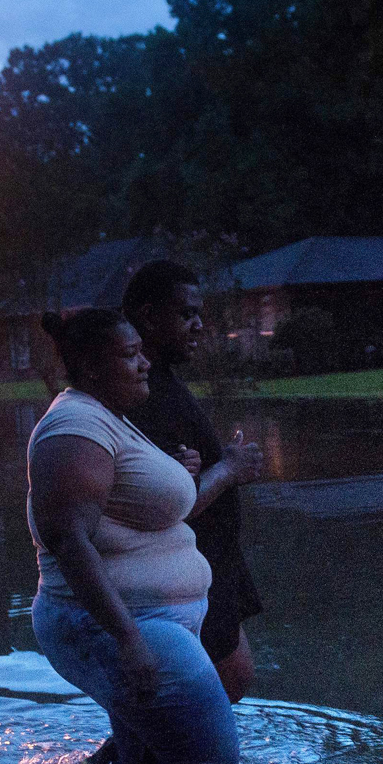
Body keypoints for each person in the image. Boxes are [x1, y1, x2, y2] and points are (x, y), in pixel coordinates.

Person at [26, 309, 242, 764]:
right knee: (206, 762)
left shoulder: (108, 418)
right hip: (123, 624)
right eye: (130, 354)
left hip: (154, 619)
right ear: (93, 365)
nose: (146, 362)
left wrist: (182, 476)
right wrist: (127, 637)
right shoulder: (75, 426)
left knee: (149, 759)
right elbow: (67, 538)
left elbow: (135, 507)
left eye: (143, 349)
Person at [120, 260, 267, 703]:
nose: (200, 326)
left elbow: (175, 471)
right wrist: (230, 468)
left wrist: (214, 460)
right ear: (148, 317)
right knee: (221, 683)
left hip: (209, 563)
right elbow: (164, 501)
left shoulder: (161, 381)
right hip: (184, 571)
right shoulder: (141, 391)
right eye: (186, 314)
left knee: (211, 686)